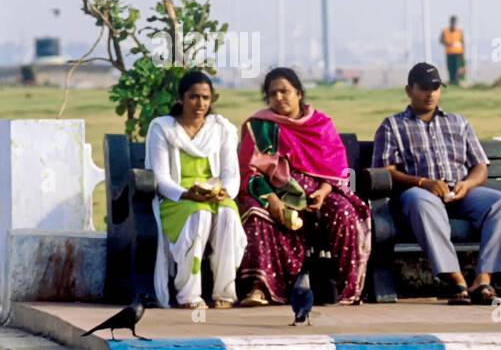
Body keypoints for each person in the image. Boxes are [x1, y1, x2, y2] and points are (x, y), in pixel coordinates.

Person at [372, 62, 501, 305]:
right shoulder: (393, 126)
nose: (430, 94)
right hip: (418, 193)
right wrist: (423, 182)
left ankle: (483, 279)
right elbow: (385, 170)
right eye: (424, 88)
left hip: (460, 192)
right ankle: (454, 279)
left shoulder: (458, 123)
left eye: (435, 87)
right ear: (409, 90)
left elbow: (480, 165)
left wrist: (467, 185)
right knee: (421, 201)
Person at [236, 68, 372, 306]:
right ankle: (261, 289)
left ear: (298, 93)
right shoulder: (261, 126)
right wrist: (272, 200)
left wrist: (323, 191)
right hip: (276, 194)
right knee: (257, 214)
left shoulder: (320, 124)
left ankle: (348, 292)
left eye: (284, 91)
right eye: (273, 93)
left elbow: (336, 168)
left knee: (345, 212)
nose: (279, 97)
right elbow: (249, 173)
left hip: (318, 194)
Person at [145, 71, 247, 309]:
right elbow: (160, 177)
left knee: (228, 215)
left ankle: (225, 293)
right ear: (181, 98)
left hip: (215, 194)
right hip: (178, 198)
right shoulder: (163, 128)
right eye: (193, 97)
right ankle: (188, 295)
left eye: (205, 97)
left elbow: (231, 173)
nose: (200, 104)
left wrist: (226, 191)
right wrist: (186, 193)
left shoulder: (221, 129)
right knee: (199, 214)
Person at [440, 15, 465, 86]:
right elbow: (441, 40)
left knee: (457, 68)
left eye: (454, 22)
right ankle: (452, 81)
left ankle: (456, 82)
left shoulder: (459, 32)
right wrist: (448, 43)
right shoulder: (445, 31)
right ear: (450, 22)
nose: (453, 23)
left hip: (458, 53)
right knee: (450, 68)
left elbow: (462, 42)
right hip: (449, 53)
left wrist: (463, 53)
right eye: (452, 22)